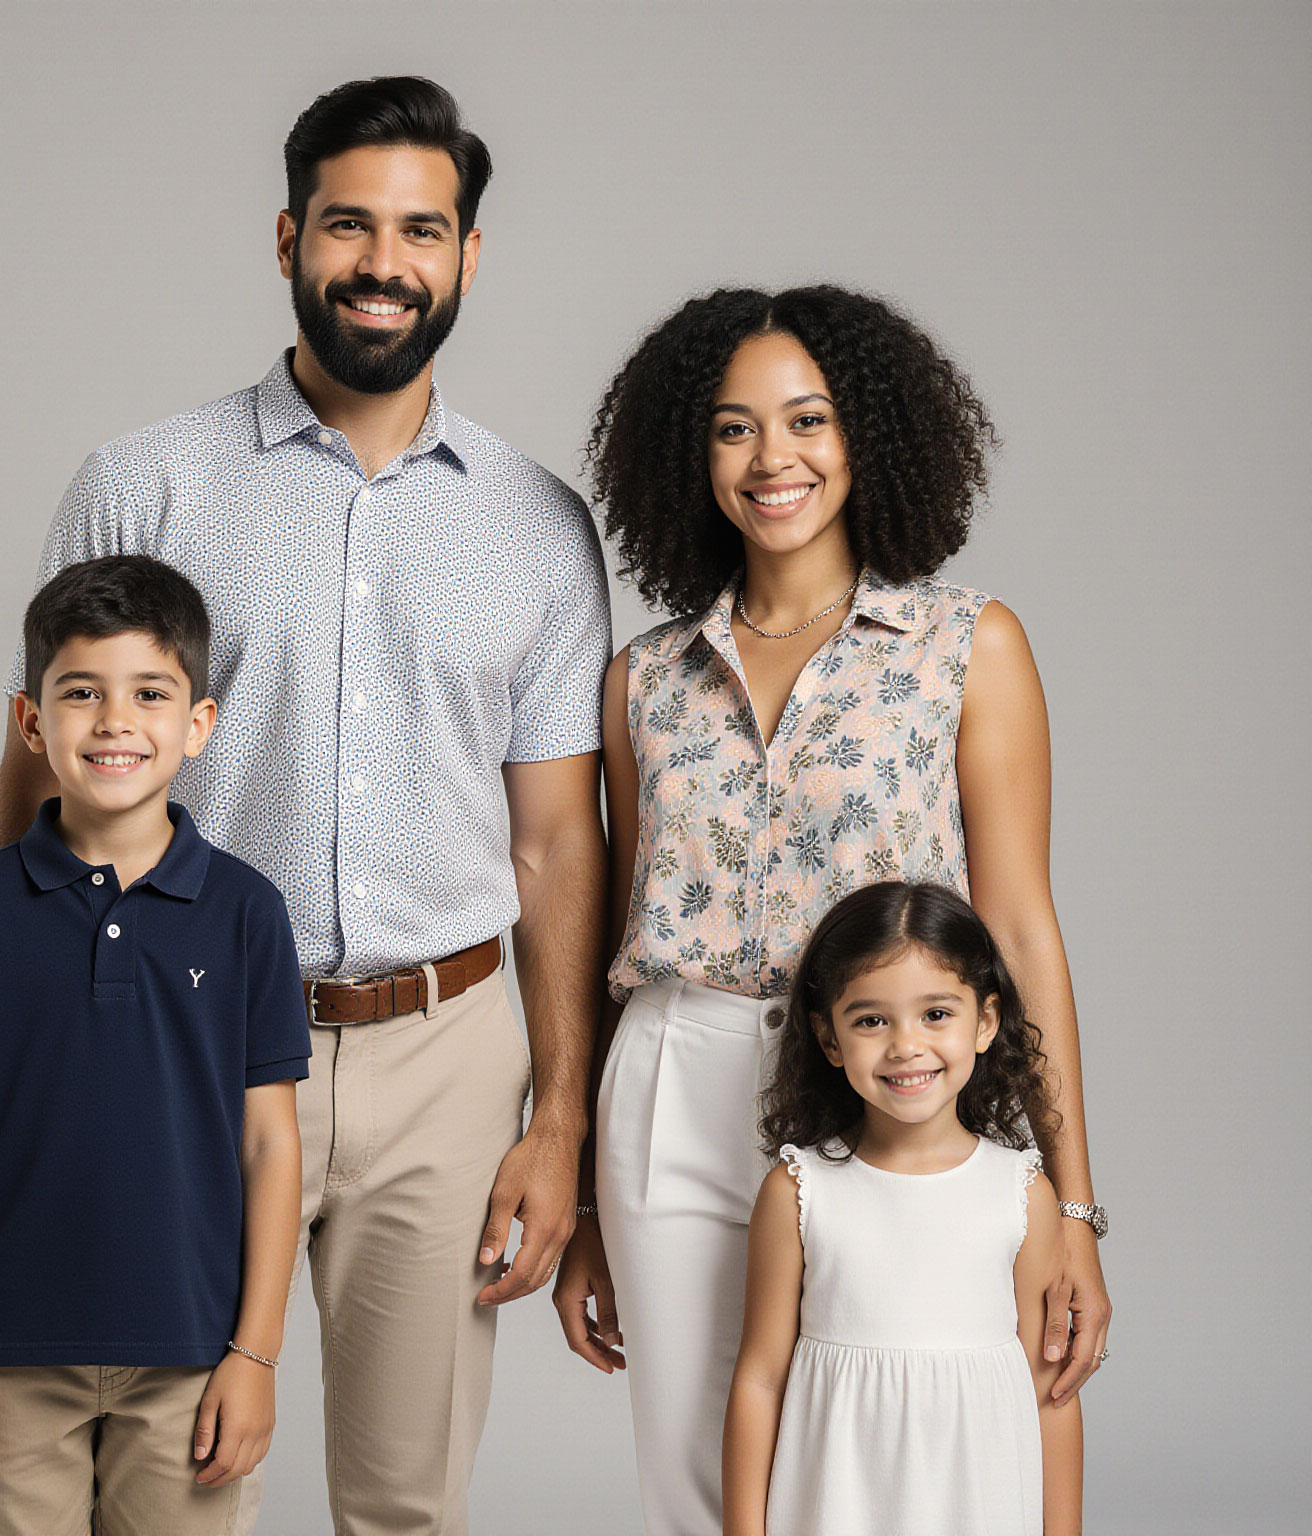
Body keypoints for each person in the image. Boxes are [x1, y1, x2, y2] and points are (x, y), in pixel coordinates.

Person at [0, 77, 610, 1536]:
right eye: (347, 225)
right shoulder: (143, 484)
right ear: (287, 239)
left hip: (449, 1061)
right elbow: (39, 786)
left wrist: (560, 1118)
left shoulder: (538, 523)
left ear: (467, 256)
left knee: (408, 1506)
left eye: (421, 230)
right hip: (184, 1044)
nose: (383, 262)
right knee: (175, 1490)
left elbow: (554, 844)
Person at [553, 285, 1110, 1535]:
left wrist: (1072, 1207)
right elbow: (615, 950)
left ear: (868, 435)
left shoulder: (967, 647)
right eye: (733, 428)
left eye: (808, 420)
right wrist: (587, 1201)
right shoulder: (643, 680)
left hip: (891, 1088)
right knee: (698, 1476)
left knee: (889, 1452)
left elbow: (1022, 933)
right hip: (676, 1089)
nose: (774, 458)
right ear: (690, 456)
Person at [0, 554, 310, 1534]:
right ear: (31, 722)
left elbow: (271, 1144)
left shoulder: (248, 912)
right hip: (5, 1357)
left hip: (193, 1358)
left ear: (198, 725)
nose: (116, 720)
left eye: (150, 693)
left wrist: (256, 1355)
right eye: (81, 692)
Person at [723, 880, 1082, 1536]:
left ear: (986, 1022)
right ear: (829, 1039)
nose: (905, 1046)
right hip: (839, 1505)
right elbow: (759, 1382)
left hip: (977, 1505)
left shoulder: (1023, 1193)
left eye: (935, 1014)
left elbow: (1050, 1392)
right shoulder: (799, 1192)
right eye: (871, 1020)